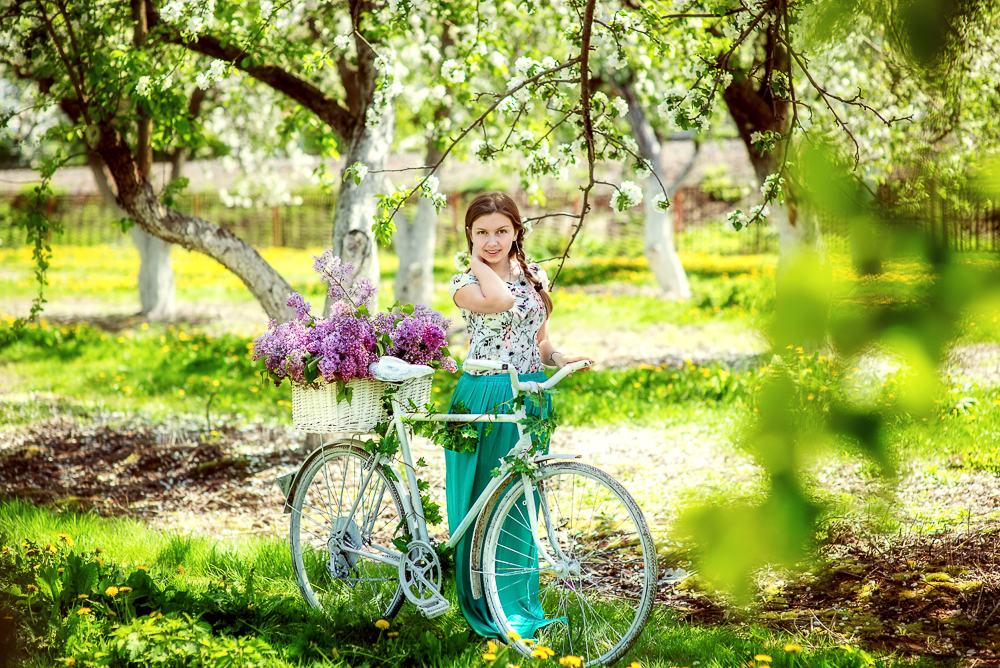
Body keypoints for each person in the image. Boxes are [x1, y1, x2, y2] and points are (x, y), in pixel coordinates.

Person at [446, 191, 593, 639]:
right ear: (470, 236)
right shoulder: (462, 283)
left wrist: (561, 357)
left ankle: (515, 600)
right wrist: (476, 263)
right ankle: (481, 602)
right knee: (482, 500)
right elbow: (499, 303)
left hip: (529, 394)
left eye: (501, 231)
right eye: (482, 233)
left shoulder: (535, 275)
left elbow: (541, 342)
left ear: (516, 233)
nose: (492, 241)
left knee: (521, 500)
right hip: (486, 393)